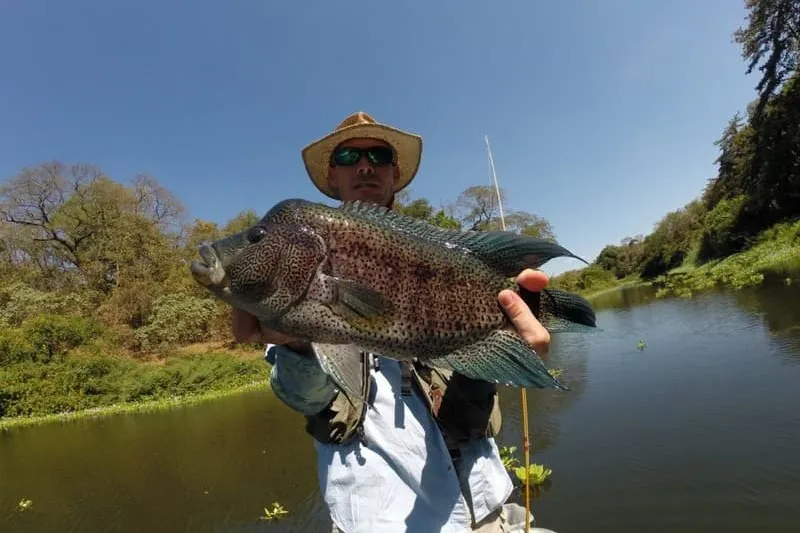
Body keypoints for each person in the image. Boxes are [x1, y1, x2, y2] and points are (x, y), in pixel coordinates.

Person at [232, 112, 557, 533]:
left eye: (378, 155)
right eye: (348, 155)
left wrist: (507, 348)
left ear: (394, 171)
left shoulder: (445, 258)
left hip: (489, 511)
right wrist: (297, 346)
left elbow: (473, 385)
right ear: (333, 176)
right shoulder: (301, 272)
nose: (364, 165)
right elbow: (306, 397)